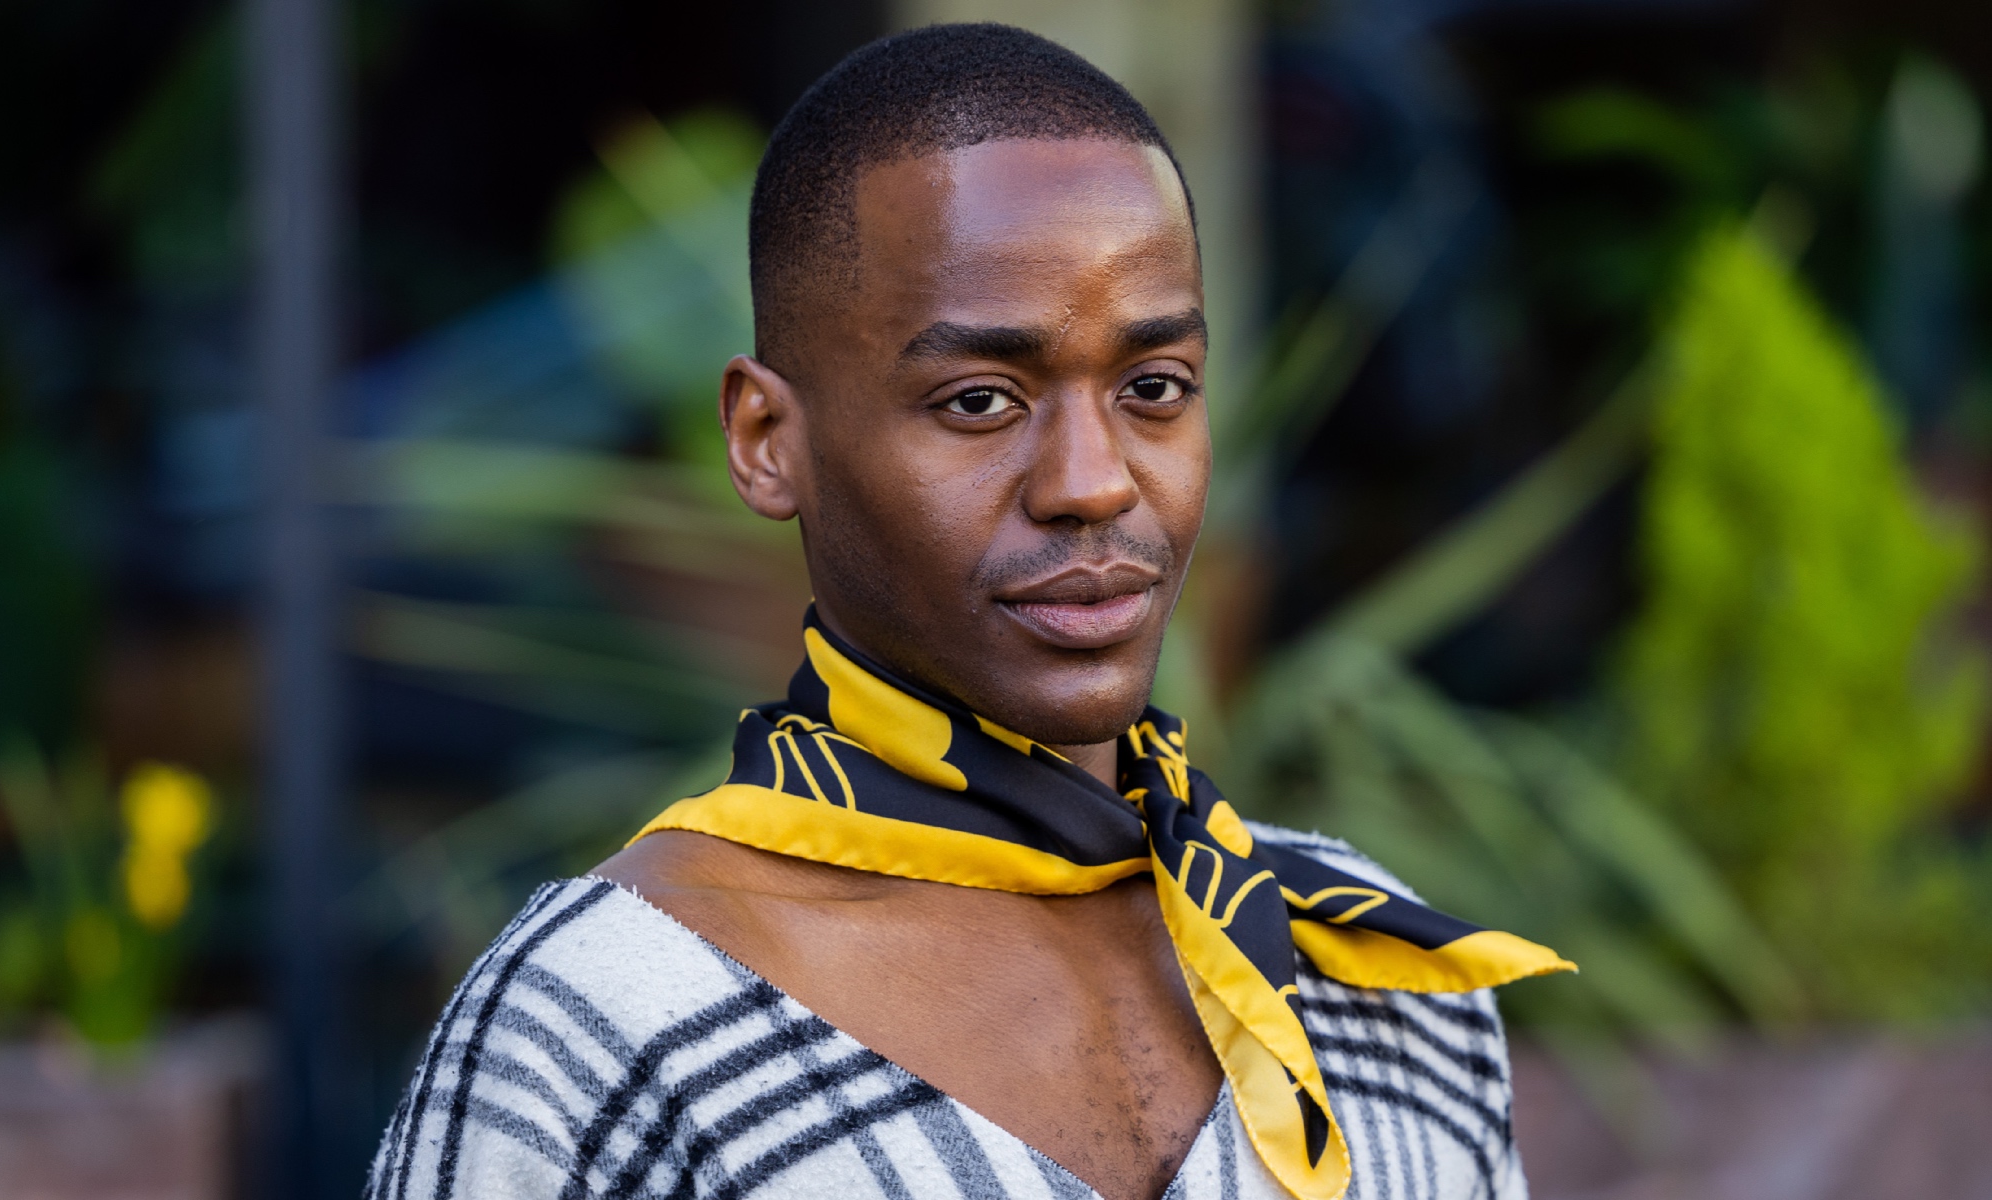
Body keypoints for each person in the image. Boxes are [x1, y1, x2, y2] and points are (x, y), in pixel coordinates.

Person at [367, 23, 1571, 1200]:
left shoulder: (1377, 981)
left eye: (1154, 387)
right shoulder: (608, 1031)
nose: (1094, 481)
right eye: (981, 401)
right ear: (765, 440)